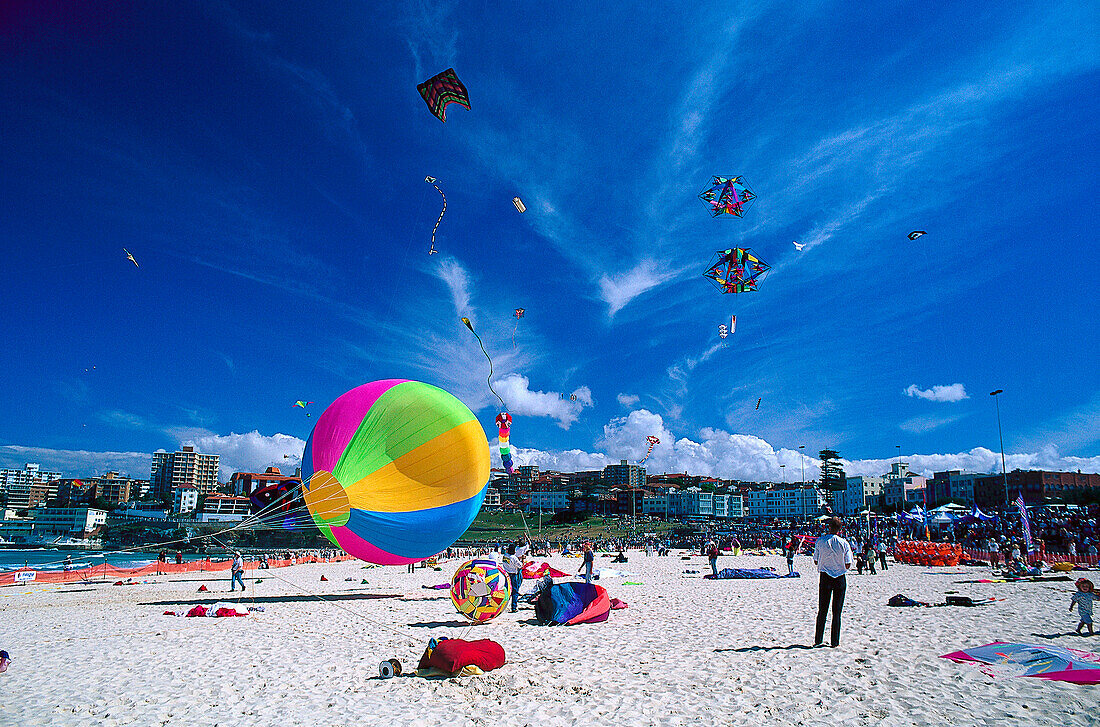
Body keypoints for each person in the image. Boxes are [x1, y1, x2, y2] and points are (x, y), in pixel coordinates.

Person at [813, 517, 853, 648]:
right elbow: (848, 564)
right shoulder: (844, 543)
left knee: (822, 610)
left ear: (829, 527)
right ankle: (835, 641)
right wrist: (837, 564)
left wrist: (827, 562)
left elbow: (816, 561)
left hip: (825, 576)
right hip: (839, 577)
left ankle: (818, 640)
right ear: (840, 529)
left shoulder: (820, 541)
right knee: (837, 612)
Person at [502, 545, 523, 612]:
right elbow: (520, 565)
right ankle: (514, 607)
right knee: (515, 591)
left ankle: (502, 606)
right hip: (513, 574)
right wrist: (521, 560)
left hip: (506, 573)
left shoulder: (505, 556)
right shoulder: (513, 557)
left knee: (506, 590)